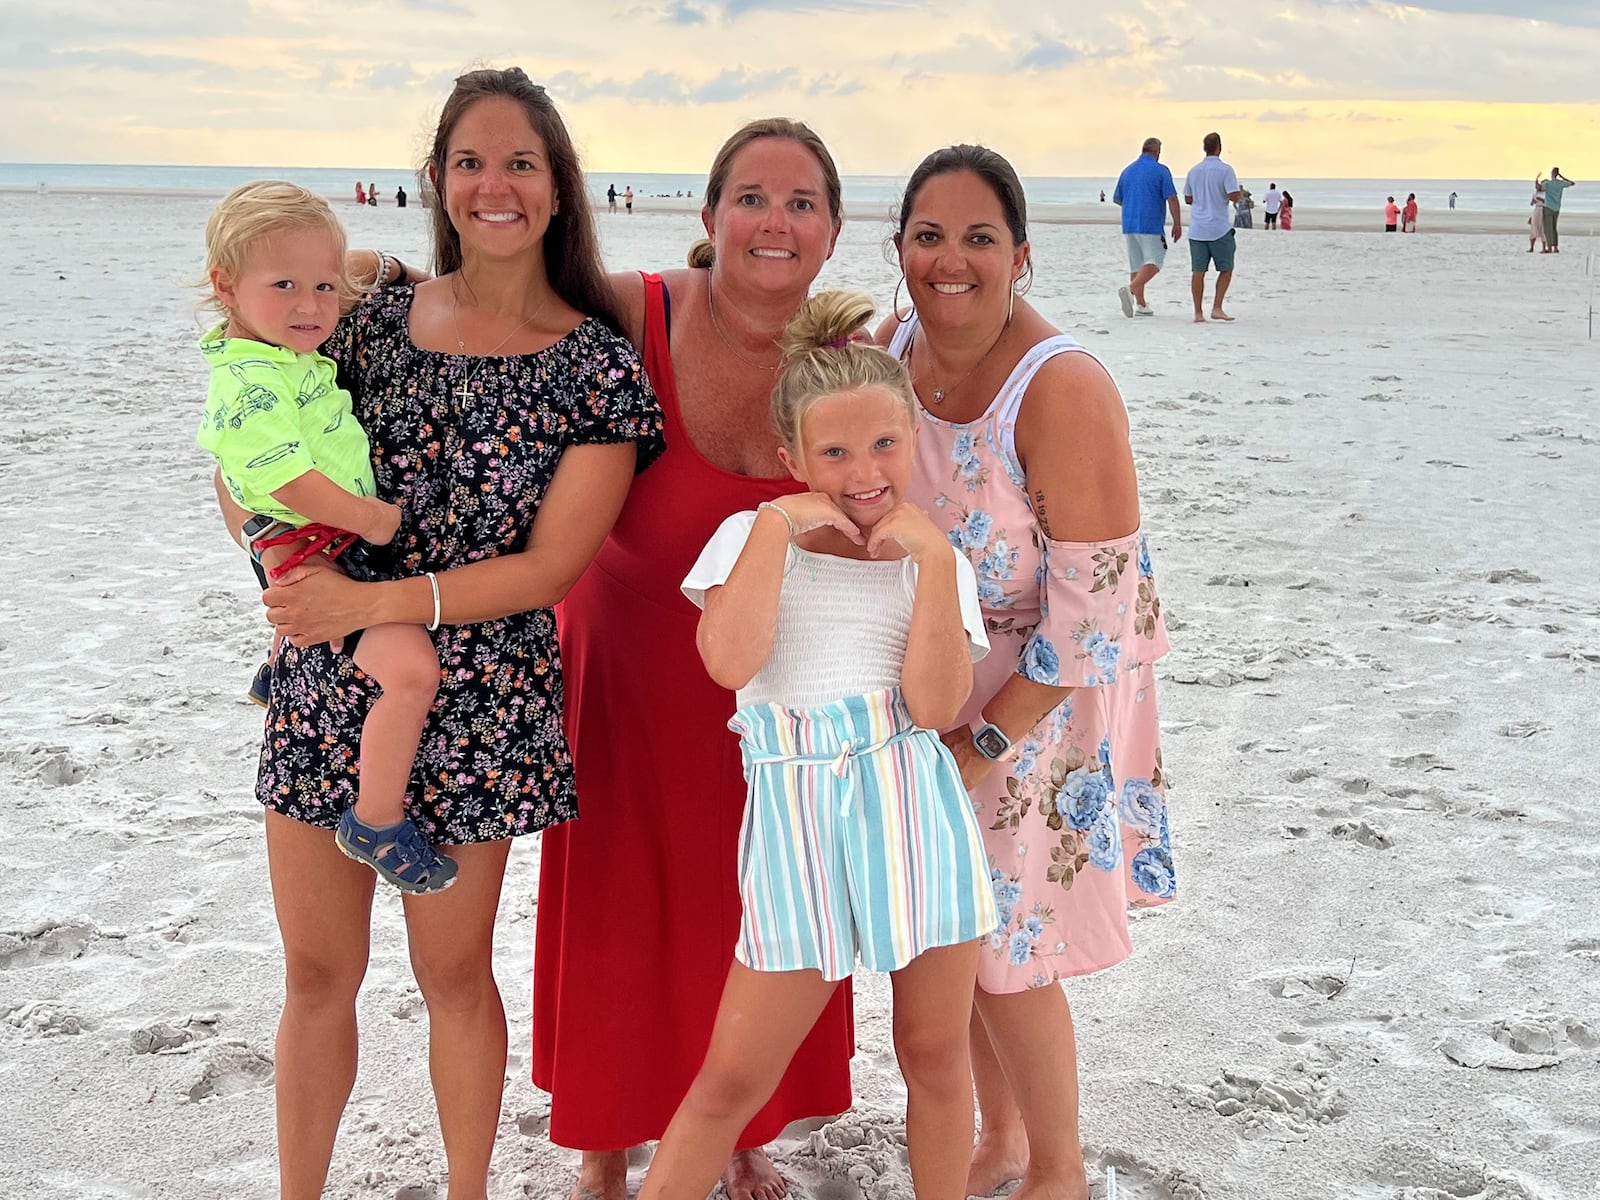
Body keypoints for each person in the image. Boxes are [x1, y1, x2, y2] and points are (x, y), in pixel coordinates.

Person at [218, 67, 664, 1198]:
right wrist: (277, 561)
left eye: (521, 162)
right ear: (437, 180)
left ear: (560, 188)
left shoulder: (595, 367)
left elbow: (550, 567)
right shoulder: (357, 318)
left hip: (480, 703)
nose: (494, 184)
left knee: (454, 976)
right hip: (329, 678)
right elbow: (248, 457)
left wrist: (371, 601)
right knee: (318, 976)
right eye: (470, 161)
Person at [533, 118, 857, 1200]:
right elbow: (505, 296)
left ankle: (744, 1129)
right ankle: (602, 1143)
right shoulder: (636, 309)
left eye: (802, 202)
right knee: (618, 911)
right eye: (754, 198)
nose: (777, 220)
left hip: (767, 691)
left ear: (832, 232)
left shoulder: (842, 361)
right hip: (622, 666)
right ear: (710, 217)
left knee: (747, 907)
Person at [640, 290, 998, 1200]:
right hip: (798, 815)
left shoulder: (934, 556)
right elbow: (728, 662)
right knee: (731, 1077)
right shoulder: (747, 538)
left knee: (934, 1053)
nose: (862, 472)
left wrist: (929, 567)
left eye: (883, 444)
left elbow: (937, 701)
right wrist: (777, 528)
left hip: (914, 804)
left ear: (911, 436)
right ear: (793, 456)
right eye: (833, 452)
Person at [882, 142, 1175, 1200]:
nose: (949, 260)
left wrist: (985, 737)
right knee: (955, 934)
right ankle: (1000, 1138)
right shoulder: (894, 341)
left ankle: (1058, 1168)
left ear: (1022, 256)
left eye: (977, 238)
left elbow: (1096, 614)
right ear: (899, 248)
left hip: (1043, 688)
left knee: (1010, 947)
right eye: (927, 235)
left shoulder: (1061, 386)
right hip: (938, 678)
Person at [198, 181, 456, 896]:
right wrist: (369, 518)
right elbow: (284, 480)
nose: (312, 305)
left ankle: (278, 663)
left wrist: (398, 272)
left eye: (323, 284)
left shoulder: (280, 348)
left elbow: (341, 278)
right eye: (284, 285)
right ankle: (375, 822)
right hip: (316, 544)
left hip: (314, 545)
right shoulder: (252, 381)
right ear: (226, 287)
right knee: (412, 674)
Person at [1111, 136, 1181, 318]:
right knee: (1155, 260)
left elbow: (1117, 198)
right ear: (1157, 152)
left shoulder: (1127, 171)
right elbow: (1171, 197)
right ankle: (1131, 289)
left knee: (1137, 263)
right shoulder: (1161, 170)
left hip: (1129, 222)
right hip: (1150, 223)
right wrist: (1177, 222)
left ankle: (1141, 304)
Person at [1183, 132, 1242, 322]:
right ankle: (1217, 307)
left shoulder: (1194, 171)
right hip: (1219, 227)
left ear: (1204, 148)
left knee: (1198, 271)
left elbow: (1188, 198)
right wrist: (1237, 193)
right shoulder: (1225, 170)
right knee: (1226, 268)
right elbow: (1233, 195)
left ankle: (1198, 312)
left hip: (1198, 227)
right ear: (1220, 147)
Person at [1542, 167, 1576, 252]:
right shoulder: (1560, 183)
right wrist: (1562, 177)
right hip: (1556, 208)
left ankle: (1549, 247)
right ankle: (1555, 247)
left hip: (1548, 207)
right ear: (1557, 174)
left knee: (1548, 228)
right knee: (1554, 228)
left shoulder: (1548, 184)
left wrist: (1536, 180)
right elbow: (1572, 183)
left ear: (1552, 173)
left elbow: (1539, 188)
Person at [1530, 179, 1548, 252]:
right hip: (1536, 209)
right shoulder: (1536, 193)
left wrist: (1541, 199)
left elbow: (1547, 202)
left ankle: (1544, 248)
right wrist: (1533, 201)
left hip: (1543, 209)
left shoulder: (1547, 193)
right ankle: (1531, 247)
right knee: (1534, 227)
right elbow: (1531, 203)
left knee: (1543, 228)